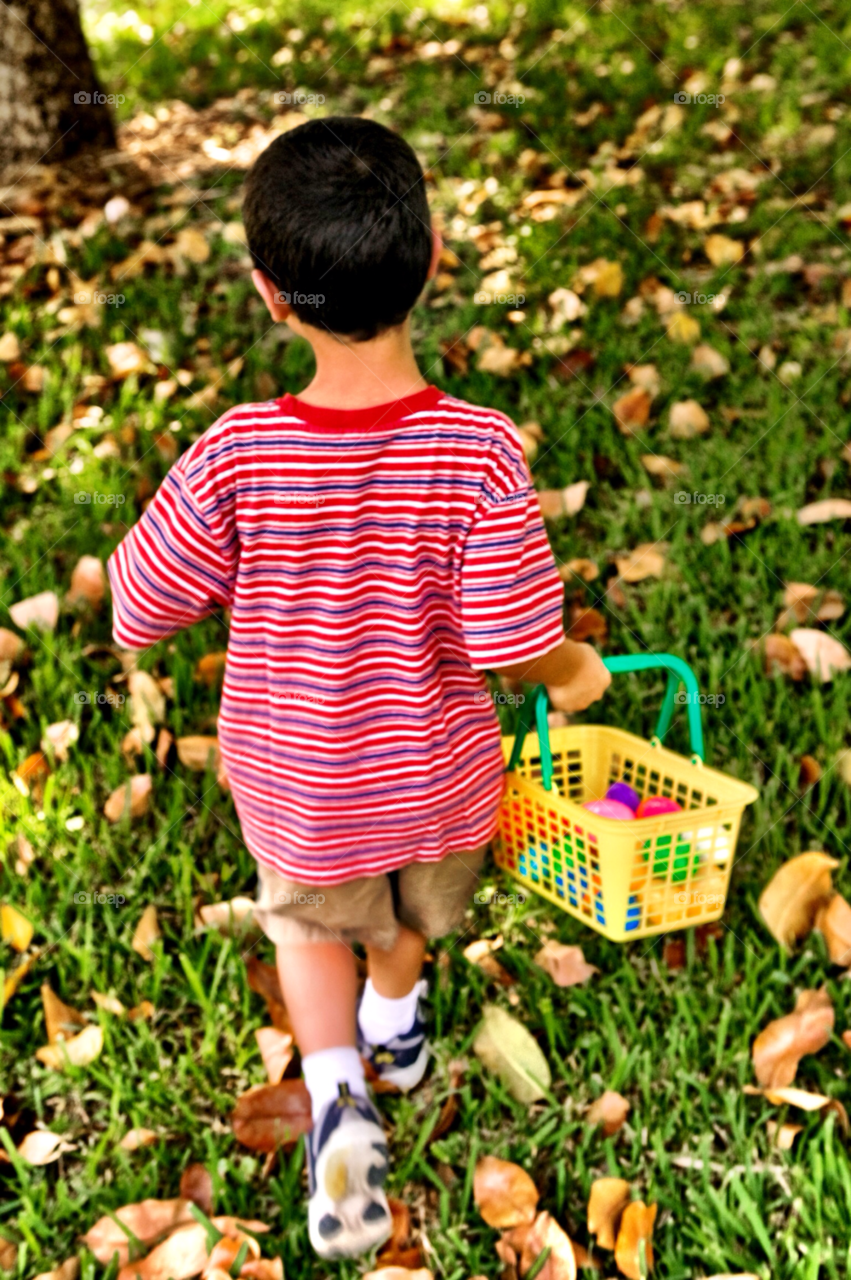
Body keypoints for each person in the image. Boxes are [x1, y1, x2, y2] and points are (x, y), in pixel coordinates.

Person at [108, 116, 610, 1260]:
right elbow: (512, 635)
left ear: (268, 296)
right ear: (431, 258)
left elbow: (138, 608)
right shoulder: (478, 449)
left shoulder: (236, 452)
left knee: (308, 924)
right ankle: (398, 1017)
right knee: (412, 915)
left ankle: (338, 1092)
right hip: (437, 777)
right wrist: (574, 669)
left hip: (301, 787)